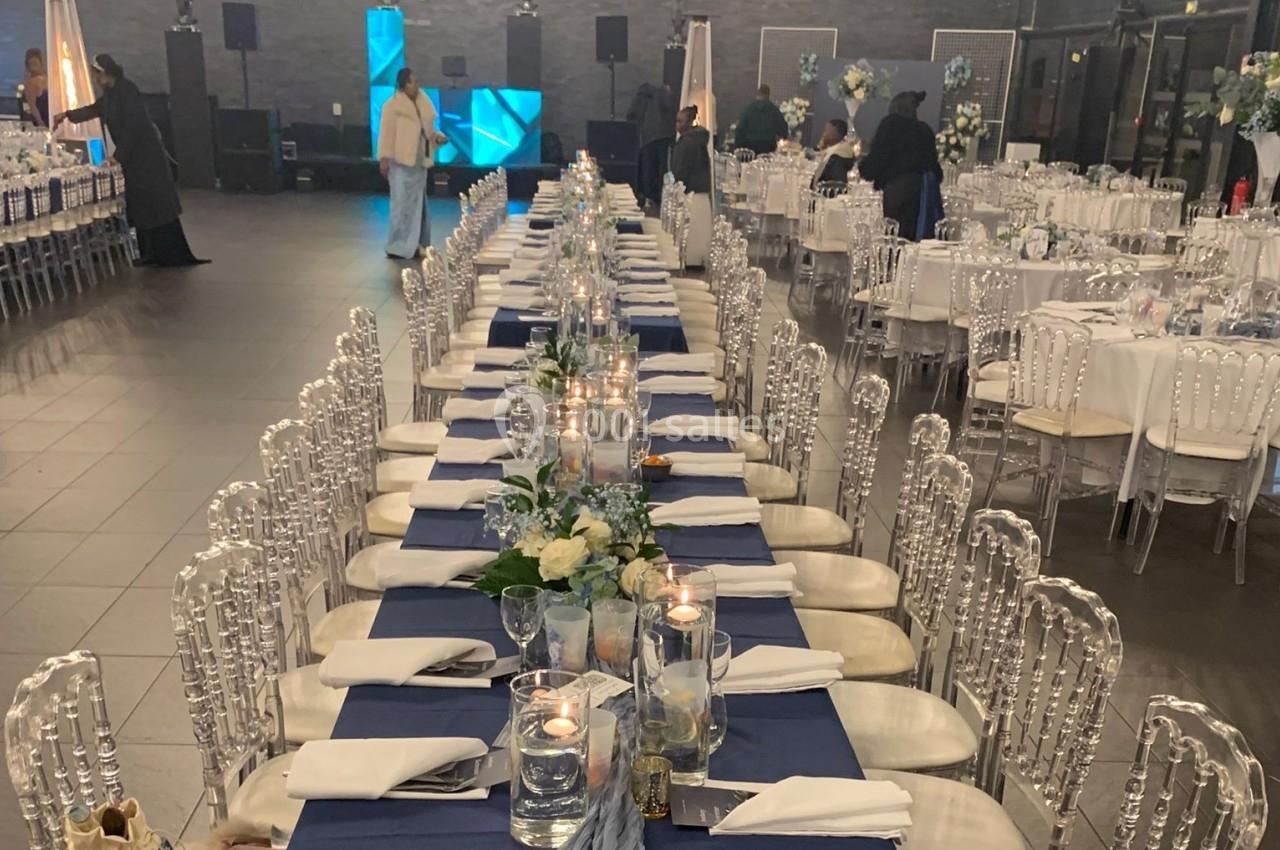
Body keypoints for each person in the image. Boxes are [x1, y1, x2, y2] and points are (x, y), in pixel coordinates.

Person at [53, 54, 207, 267]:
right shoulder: (110, 96)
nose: (96, 80)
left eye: (97, 75)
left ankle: (169, 254)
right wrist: (67, 115)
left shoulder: (128, 91)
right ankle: (150, 252)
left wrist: (117, 156)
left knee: (157, 206)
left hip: (147, 158)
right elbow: (94, 109)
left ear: (106, 73)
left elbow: (134, 128)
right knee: (142, 207)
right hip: (133, 160)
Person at [378, 68, 448, 260]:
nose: (417, 85)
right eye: (413, 82)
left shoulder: (423, 103)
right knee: (401, 206)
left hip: (419, 162)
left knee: (418, 206)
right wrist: (384, 158)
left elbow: (428, 132)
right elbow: (386, 134)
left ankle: (418, 243)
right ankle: (397, 245)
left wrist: (438, 138)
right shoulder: (392, 106)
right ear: (404, 84)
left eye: (417, 82)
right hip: (400, 163)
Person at [858, 90, 944, 241]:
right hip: (923, 189)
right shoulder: (925, 129)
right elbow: (933, 163)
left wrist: (864, 167)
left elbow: (879, 157)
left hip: (898, 189)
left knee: (896, 236)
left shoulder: (891, 124)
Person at [669, 105, 712, 266]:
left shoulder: (687, 143)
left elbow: (681, 168)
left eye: (680, 121)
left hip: (690, 192)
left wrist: (677, 186)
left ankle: (689, 259)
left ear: (689, 123)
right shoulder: (698, 140)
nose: (677, 125)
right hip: (701, 192)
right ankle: (697, 259)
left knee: (692, 231)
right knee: (701, 232)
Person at [626, 82, 676, 208]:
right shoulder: (663, 93)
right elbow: (669, 107)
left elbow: (631, 114)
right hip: (664, 134)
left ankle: (649, 197)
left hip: (647, 136)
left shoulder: (641, 95)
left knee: (648, 168)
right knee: (663, 168)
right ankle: (662, 197)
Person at [734, 85, 788, 155]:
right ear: (768, 95)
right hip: (768, 148)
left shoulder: (749, 109)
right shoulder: (774, 110)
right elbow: (783, 130)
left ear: (758, 94)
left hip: (750, 147)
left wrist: (738, 147)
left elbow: (740, 129)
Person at [811, 118, 856, 188]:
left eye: (825, 130)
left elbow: (835, 185)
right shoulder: (833, 150)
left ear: (835, 133)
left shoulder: (838, 156)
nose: (823, 134)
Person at [22, 48, 49, 128]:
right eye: (31, 64)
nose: (33, 67)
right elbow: (33, 107)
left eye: (35, 64)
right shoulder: (30, 83)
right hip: (44, 121)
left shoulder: (48, 78)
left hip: (54, 117)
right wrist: (41, 124)